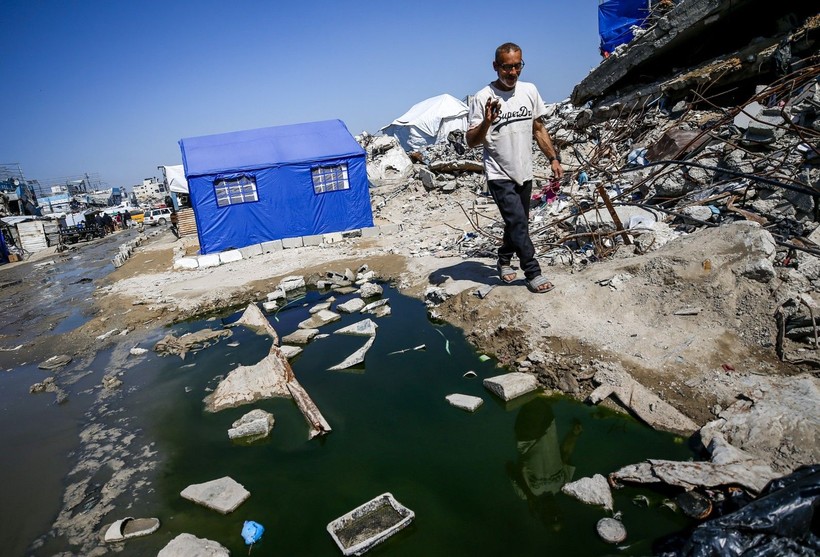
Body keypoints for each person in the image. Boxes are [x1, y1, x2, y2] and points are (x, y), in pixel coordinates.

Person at [467, 42, 564, 293]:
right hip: (499, 173)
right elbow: (471, 141)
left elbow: (539, 128)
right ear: (495, 67)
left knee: (518, 222)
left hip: (524, 170)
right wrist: (487, 121)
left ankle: (503, 258)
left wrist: (553, 158)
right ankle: (533, 271)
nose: (512, 73)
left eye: (517, 66)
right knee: (518, 222)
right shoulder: (482, 98)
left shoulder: (529, 91)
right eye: (506, 67)